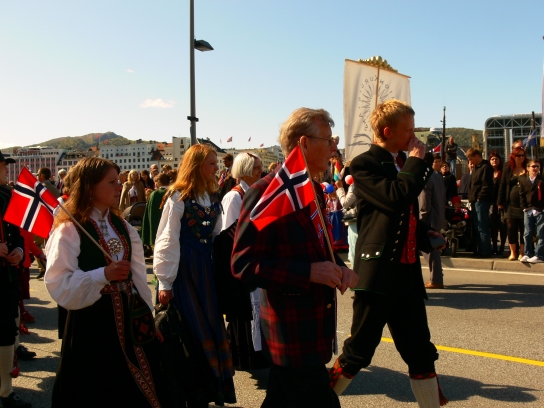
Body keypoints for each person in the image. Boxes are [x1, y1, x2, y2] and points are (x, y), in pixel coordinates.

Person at [231, 108, 358, 408]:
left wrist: (340, 267)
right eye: (328, 140)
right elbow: (243, 264)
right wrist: (309, 273)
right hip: (290, 333)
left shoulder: (313, 189)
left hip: (313, 330)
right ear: (304, 143)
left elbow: (319, 247)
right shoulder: (267, 193)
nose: (334, 147)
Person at [330, 100, 447, 407]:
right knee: (358, 351)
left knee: (420, 352)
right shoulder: (364, 163)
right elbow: (395, 199)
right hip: (377, 275)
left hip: (407, 277)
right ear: (387, 132)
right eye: (408, 130)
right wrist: (416, 163)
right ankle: (320, 402)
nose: (414, 136)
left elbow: (404, 217)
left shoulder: (402, 163)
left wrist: (425, 234)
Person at [44, 157, 165, 408]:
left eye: (118, 181)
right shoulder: (70, 229)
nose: (119, 186)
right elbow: (58, 282)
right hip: (91, 324)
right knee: (94, 389)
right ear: (89, 187)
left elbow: (138, 278)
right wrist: (103, 275)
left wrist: (148, 320)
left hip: (129, 320)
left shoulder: (123, 226)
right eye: (111, 182)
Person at [154, 144, 236, 407]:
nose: (216, 167)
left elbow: (216, 233)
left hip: (206, 269)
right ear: (197, 166)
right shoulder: (178, 197)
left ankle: (210, 389)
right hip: (185, 270)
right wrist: (165, 281)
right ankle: (192, 392)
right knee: (190, 328)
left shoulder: (212, 196)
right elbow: (167, 239)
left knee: (210, 325)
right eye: (211, 163)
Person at [214, 152, 268, 370]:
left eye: (260, 166)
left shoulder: (253, 192)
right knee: (244, 310)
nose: (260, 171)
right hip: (241, 262)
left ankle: (258, 354)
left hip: (255, 257)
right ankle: (244, 357)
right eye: (256, 167)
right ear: (244, 170)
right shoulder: (234, 197)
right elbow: (229, 234)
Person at [0, 151, 31, 408]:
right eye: (2, 166)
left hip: (6, 275)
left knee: (5, 330)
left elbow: (17, 233)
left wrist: (19, 250)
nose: (5, 169)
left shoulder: (8, 195)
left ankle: (6, 390)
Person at [420, 152, 447, 289]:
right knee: (433, 247)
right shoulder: (437, 176)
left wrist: (421, 218)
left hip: (429, 217)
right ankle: (437, 276)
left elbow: (424, 201)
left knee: (430, 249)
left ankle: (436, 278)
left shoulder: (425, 177)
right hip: (438, 215)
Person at [497, 147, 527, 260]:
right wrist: (500, 201)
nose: (521, 157)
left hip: (524, 204)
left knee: (524, 229)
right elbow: (502, 185)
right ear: (513, 157)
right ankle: (513, 252)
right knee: (511, 228)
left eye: (523, 155)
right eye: (518, 155)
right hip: (510, 204)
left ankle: (522, 252)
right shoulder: (508, 168)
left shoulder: (527, 168)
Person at [467, 148, 494, 258]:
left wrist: (480, 197)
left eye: (471, 159)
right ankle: (479, 248)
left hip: (481, 200)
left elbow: (486, 184)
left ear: (477, 156)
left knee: (482, 226)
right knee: (477, 226)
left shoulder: (486, 167)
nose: (470, 161)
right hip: (475, 200)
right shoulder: (475, 168)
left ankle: (486, 250)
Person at [519, 159, 544, 263]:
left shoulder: (541, 180)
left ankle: (539, 255)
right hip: (528, 209)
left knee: (540, 233)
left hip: (540, 209)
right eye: (533, 166)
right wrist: (524, 207)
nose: (535, 168)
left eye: (537, 166)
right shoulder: (523, 180)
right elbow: (522, 194)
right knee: (527, 233)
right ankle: (528, 253)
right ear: (528, 168)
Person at [141, 173, 170, 250]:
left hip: (157, 231)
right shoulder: (173, 193)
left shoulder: (155, 194)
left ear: (159, 182)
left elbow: (151, 214)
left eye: (155, 182)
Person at [489, 153, 507, 255]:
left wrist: (501, 201)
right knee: (493, 226)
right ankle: (495, 247)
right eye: (492, 159)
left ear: (500, 160)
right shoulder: (488, 173)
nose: (494, 161)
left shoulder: (503, 172)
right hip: (491, 203)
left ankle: (502, 247)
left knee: (503, 225)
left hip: (501, 203)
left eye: (496, 159)